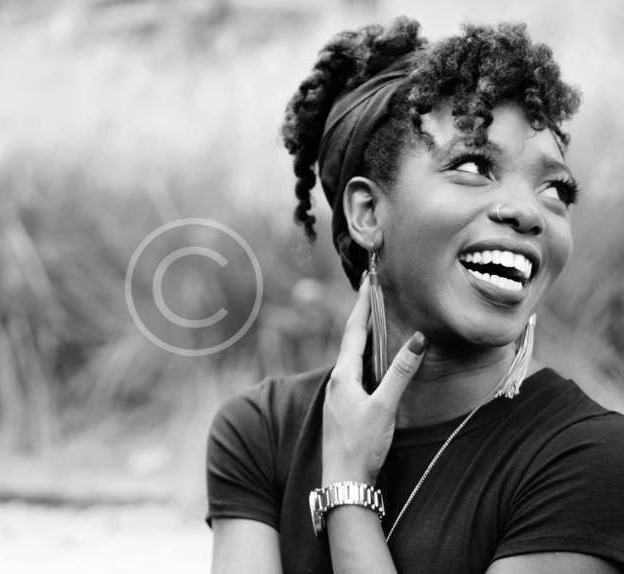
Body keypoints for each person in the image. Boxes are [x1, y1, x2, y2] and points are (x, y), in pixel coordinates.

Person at [205, 17, 624, 574]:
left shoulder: (591, 459)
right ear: (368, 212)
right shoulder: (262, 431)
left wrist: (348, 491)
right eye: (473, 165)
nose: (529, 212)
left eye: (555, 189)